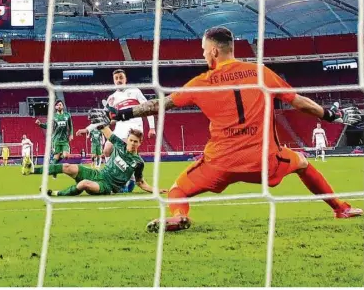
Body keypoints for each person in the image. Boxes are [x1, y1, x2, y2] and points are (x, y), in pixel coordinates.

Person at [90, 26, 363, 232]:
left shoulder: (201, 82)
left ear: (214, 51)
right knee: (303, 163)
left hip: (219, 163)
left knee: (177, 191)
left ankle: (179, 215)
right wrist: (331, 115)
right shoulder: (260, 72)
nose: (203, 54)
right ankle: (340, 209)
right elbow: (300, 103)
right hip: (263, 161)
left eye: (203, 50)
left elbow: (160, 105)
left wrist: (121, 112)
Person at [38, 121, 167, 197]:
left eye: (136, 142)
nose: (133, 143)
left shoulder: (139, 162)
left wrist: (157, 190)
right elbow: (107, 132)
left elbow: (141, 182)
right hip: (99, 174)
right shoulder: (119, 145)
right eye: (131, 140)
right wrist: (99, 122)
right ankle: (38, 172)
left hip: (108, 187)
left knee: (84, 183)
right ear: (127, 139)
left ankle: (55, 193)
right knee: (68, 166)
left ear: (140, 143)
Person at [35, 100, 73, 166]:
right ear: (55, 107)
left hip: (65, 139)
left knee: (66, 155)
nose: (59, 106)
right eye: (57, 105)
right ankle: (52, 169)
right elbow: (47, 126)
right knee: (56, 158)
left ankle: (53, 163)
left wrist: (71, 134)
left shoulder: (67, 115)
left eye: (60, 104)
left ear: (63, 106)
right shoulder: (53, 117)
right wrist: (40, 124)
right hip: (56, 140)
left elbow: (71, 126)